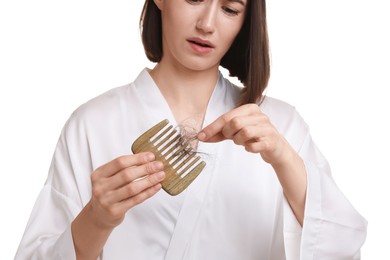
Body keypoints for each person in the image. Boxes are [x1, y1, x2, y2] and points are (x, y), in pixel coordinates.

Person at [15, 0, 367, 259]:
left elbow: (343, 246)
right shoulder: (92, 123)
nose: (207, 24)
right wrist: (97, 218)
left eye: (230, 9)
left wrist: (284, 158)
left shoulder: (282, 125)